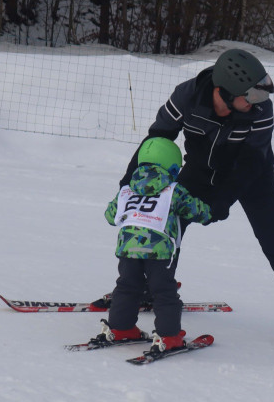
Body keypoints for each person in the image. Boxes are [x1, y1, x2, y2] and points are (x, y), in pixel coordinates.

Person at [101, 48, 274, 346]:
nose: (256, 103)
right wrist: (127, 187)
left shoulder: (261, 112)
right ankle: (144, 286)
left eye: (258, 97)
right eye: (250, 97)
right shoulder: (186, 96)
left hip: (251, 175)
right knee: (163, 222)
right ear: (223, 92)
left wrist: (220, 203)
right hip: (200, 169)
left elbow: (250, 163)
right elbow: (156, 139)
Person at [86, 137, 212, 354]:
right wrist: (209, 212)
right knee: (163, 292)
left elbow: (110, 215)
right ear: (172, 167)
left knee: (126, 287)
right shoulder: (174, 190)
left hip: (127, 250)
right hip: (160, 252)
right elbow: (197, 211)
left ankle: (121, 328)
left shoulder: (126, 190)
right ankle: (169, 335)